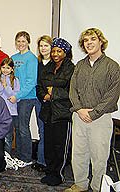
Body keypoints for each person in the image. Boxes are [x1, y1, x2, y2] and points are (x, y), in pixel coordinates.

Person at [65, 28, 120, 192]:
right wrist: (79, 109)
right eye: (86, 40)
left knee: (99, 157)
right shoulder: (80, 65)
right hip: (79, 116)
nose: (89, 43)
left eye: (92, 39)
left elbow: (113, 94)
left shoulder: (112, 66)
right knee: (79, 154)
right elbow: (72, 90)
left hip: (100, 118)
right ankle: (80, 184)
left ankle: (98, 187)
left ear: (101, 41)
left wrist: (94, 113)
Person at [37, 38, 74, 186]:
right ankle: (50, 170)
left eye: (59, 51)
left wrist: (54, 92)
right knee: (49, 144)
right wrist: (44, 95)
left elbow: (73, 92)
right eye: (53, 51)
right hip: (48, 112)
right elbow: (39, 86)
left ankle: (58, 174)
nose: (55, 54)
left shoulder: (71, 68)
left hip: (63, 114)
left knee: (60, 146)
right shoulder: (48, 67)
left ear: (65, 53)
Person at [9, 31, 42, 168]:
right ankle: (19, 155)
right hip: (14, 98)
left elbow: (31, 82)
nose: (20, 44)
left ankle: (26, 157)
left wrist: (18, 96)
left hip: (27, 97)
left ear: (28, 42)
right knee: (16, 127)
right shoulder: (13, 57)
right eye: (18, 41)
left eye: (23, 41)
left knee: (23, 127)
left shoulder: (32, 59)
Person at [32, 35, 53, 172]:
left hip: (53, 102)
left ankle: (46, 161)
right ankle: (41, 160)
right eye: (41, 46)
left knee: (50, 132)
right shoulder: (37, 63)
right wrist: (43, 96)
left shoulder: (56, 63)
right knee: (42, 130)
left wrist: (49, 95)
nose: (43, 48)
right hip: (40, 101)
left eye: (46, 45)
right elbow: (38, 83)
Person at [0, 57, 20, 155]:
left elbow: (16, 97)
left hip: (10, 112)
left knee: (8, 136)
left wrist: (6, 87)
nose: (5, 70)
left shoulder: (15, 81)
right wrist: (1, 85)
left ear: (12, 69)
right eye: (3, 67)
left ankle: (7, 156)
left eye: (8, 68)